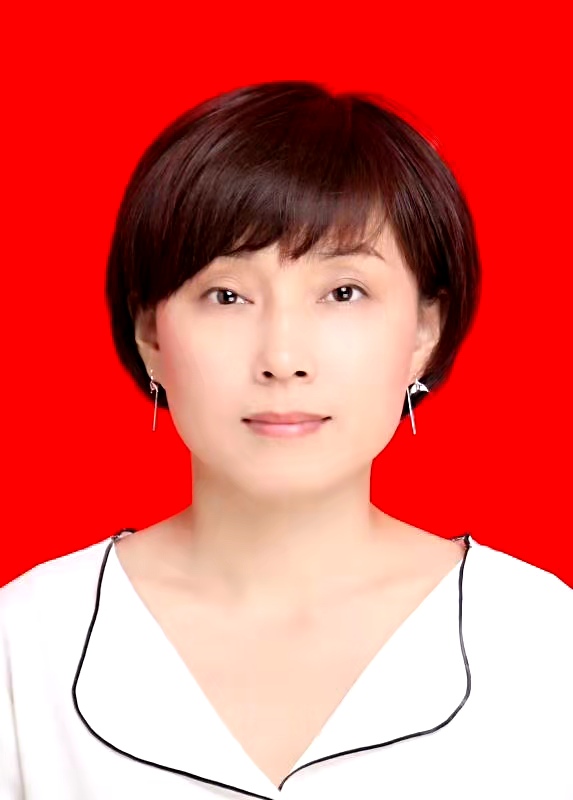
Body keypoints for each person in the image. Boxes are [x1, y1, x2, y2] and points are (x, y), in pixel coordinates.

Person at [0, 80, 571, 800]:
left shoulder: (539, 637)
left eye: (343, 292)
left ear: (423, 331)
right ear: (150, 335)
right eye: (226, 295)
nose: (282, 357)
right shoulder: (27, 641)